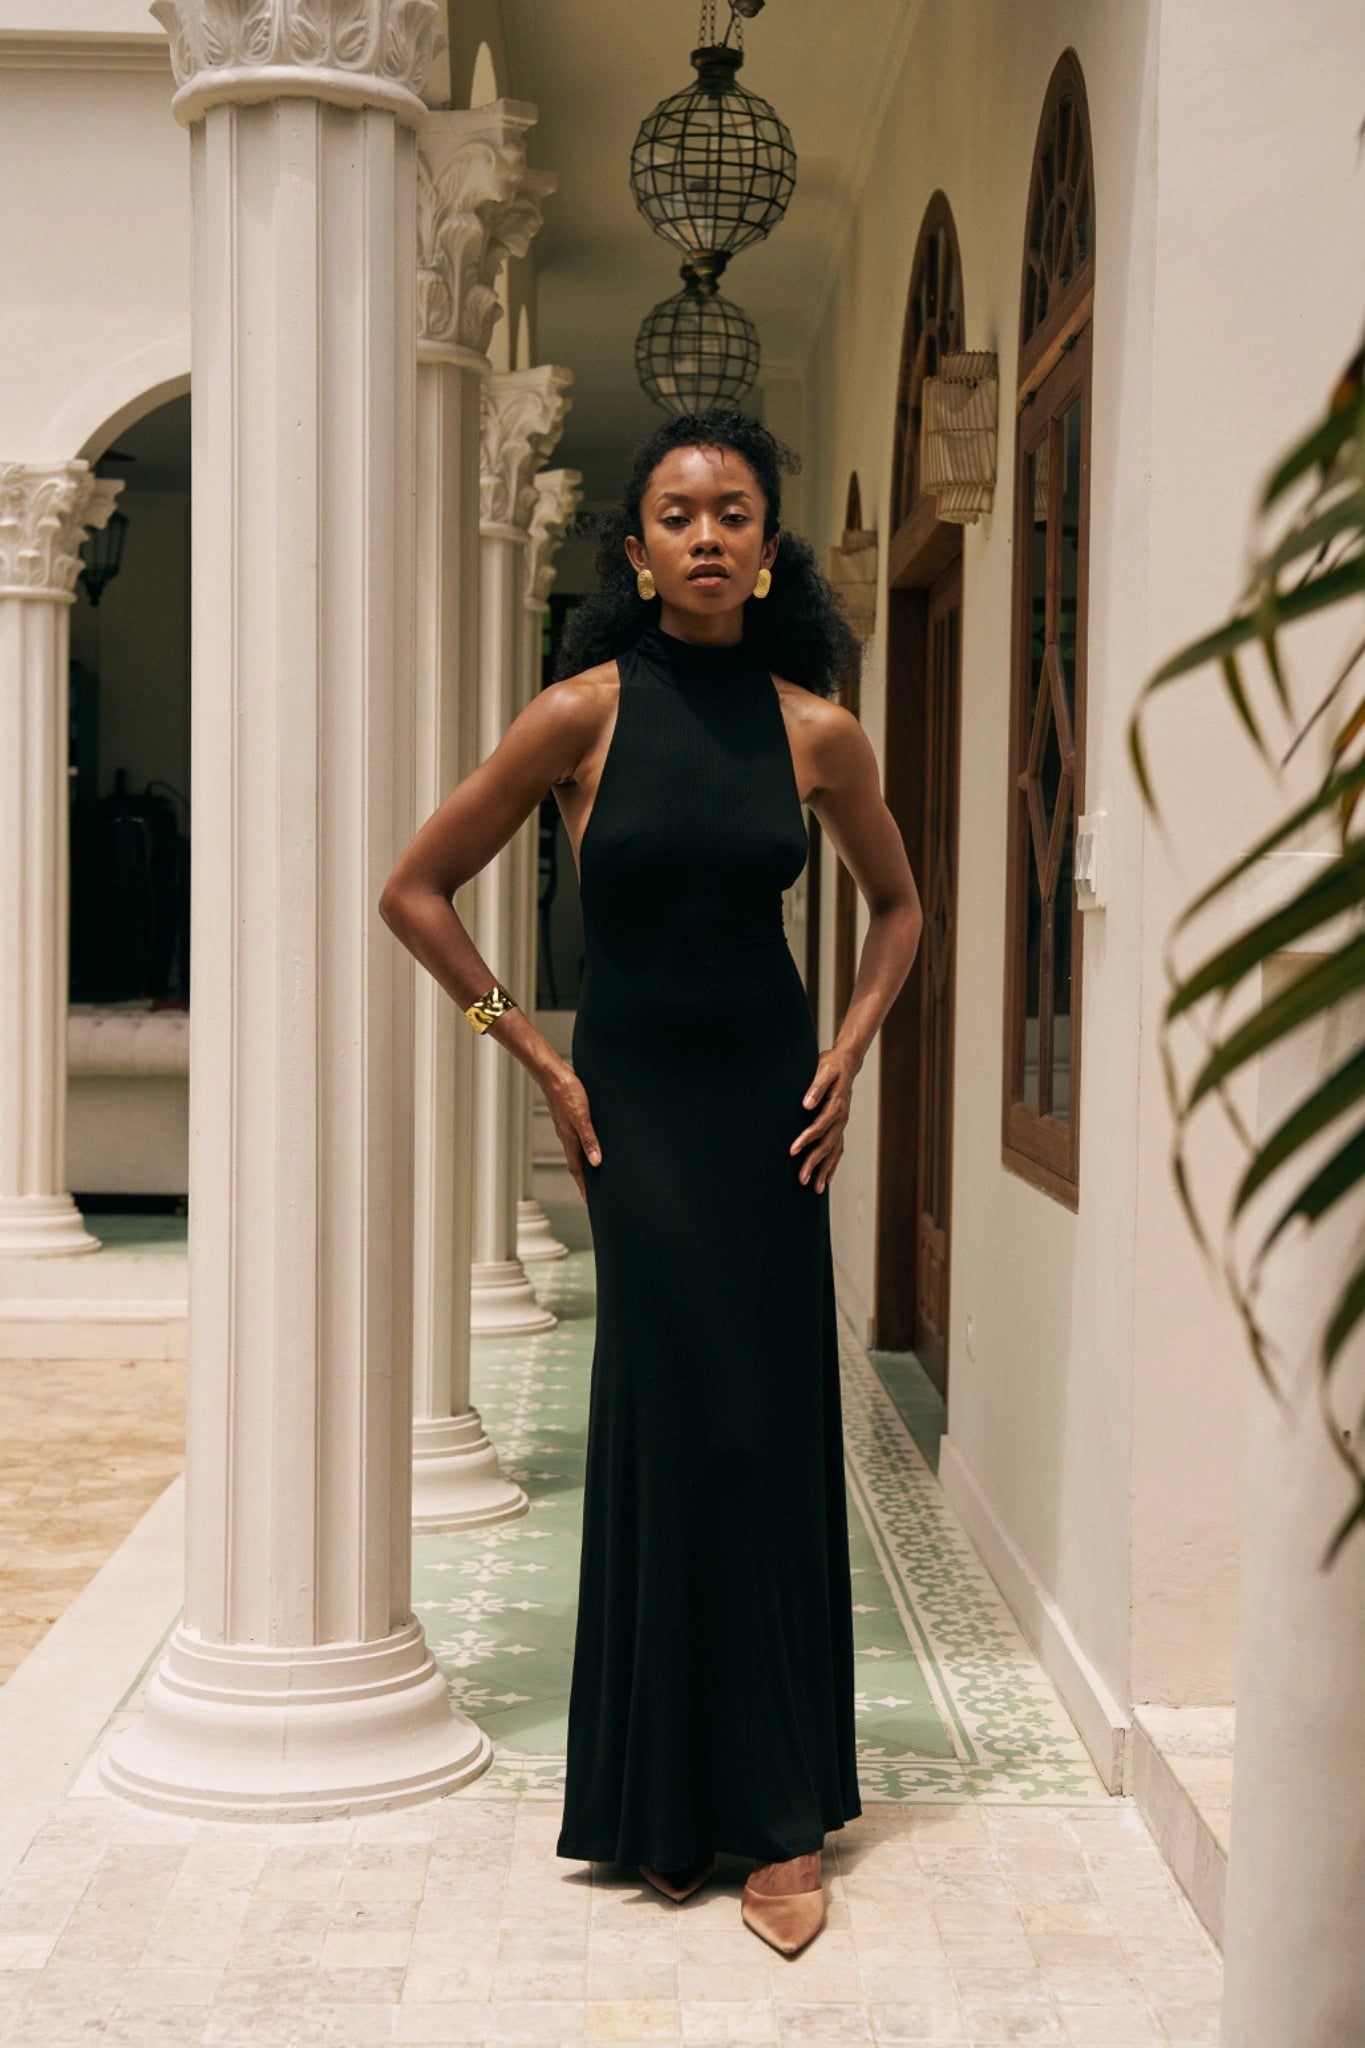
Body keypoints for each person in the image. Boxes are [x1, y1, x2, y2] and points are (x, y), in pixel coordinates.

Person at [379, 408, 922, 1956]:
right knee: (677, 1413)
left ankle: (772, 1811)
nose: (704, 535)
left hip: (768, 1113)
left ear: (766, 546)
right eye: (675, 514)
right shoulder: (578, 714)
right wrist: (533, 1057)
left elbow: (897, 909)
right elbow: (412, 892)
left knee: (761, 1425)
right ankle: (658, 1789)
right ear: (633, 551)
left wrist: (855, 1052)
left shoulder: (819, 731)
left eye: (732, 512)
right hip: (632, 1117)